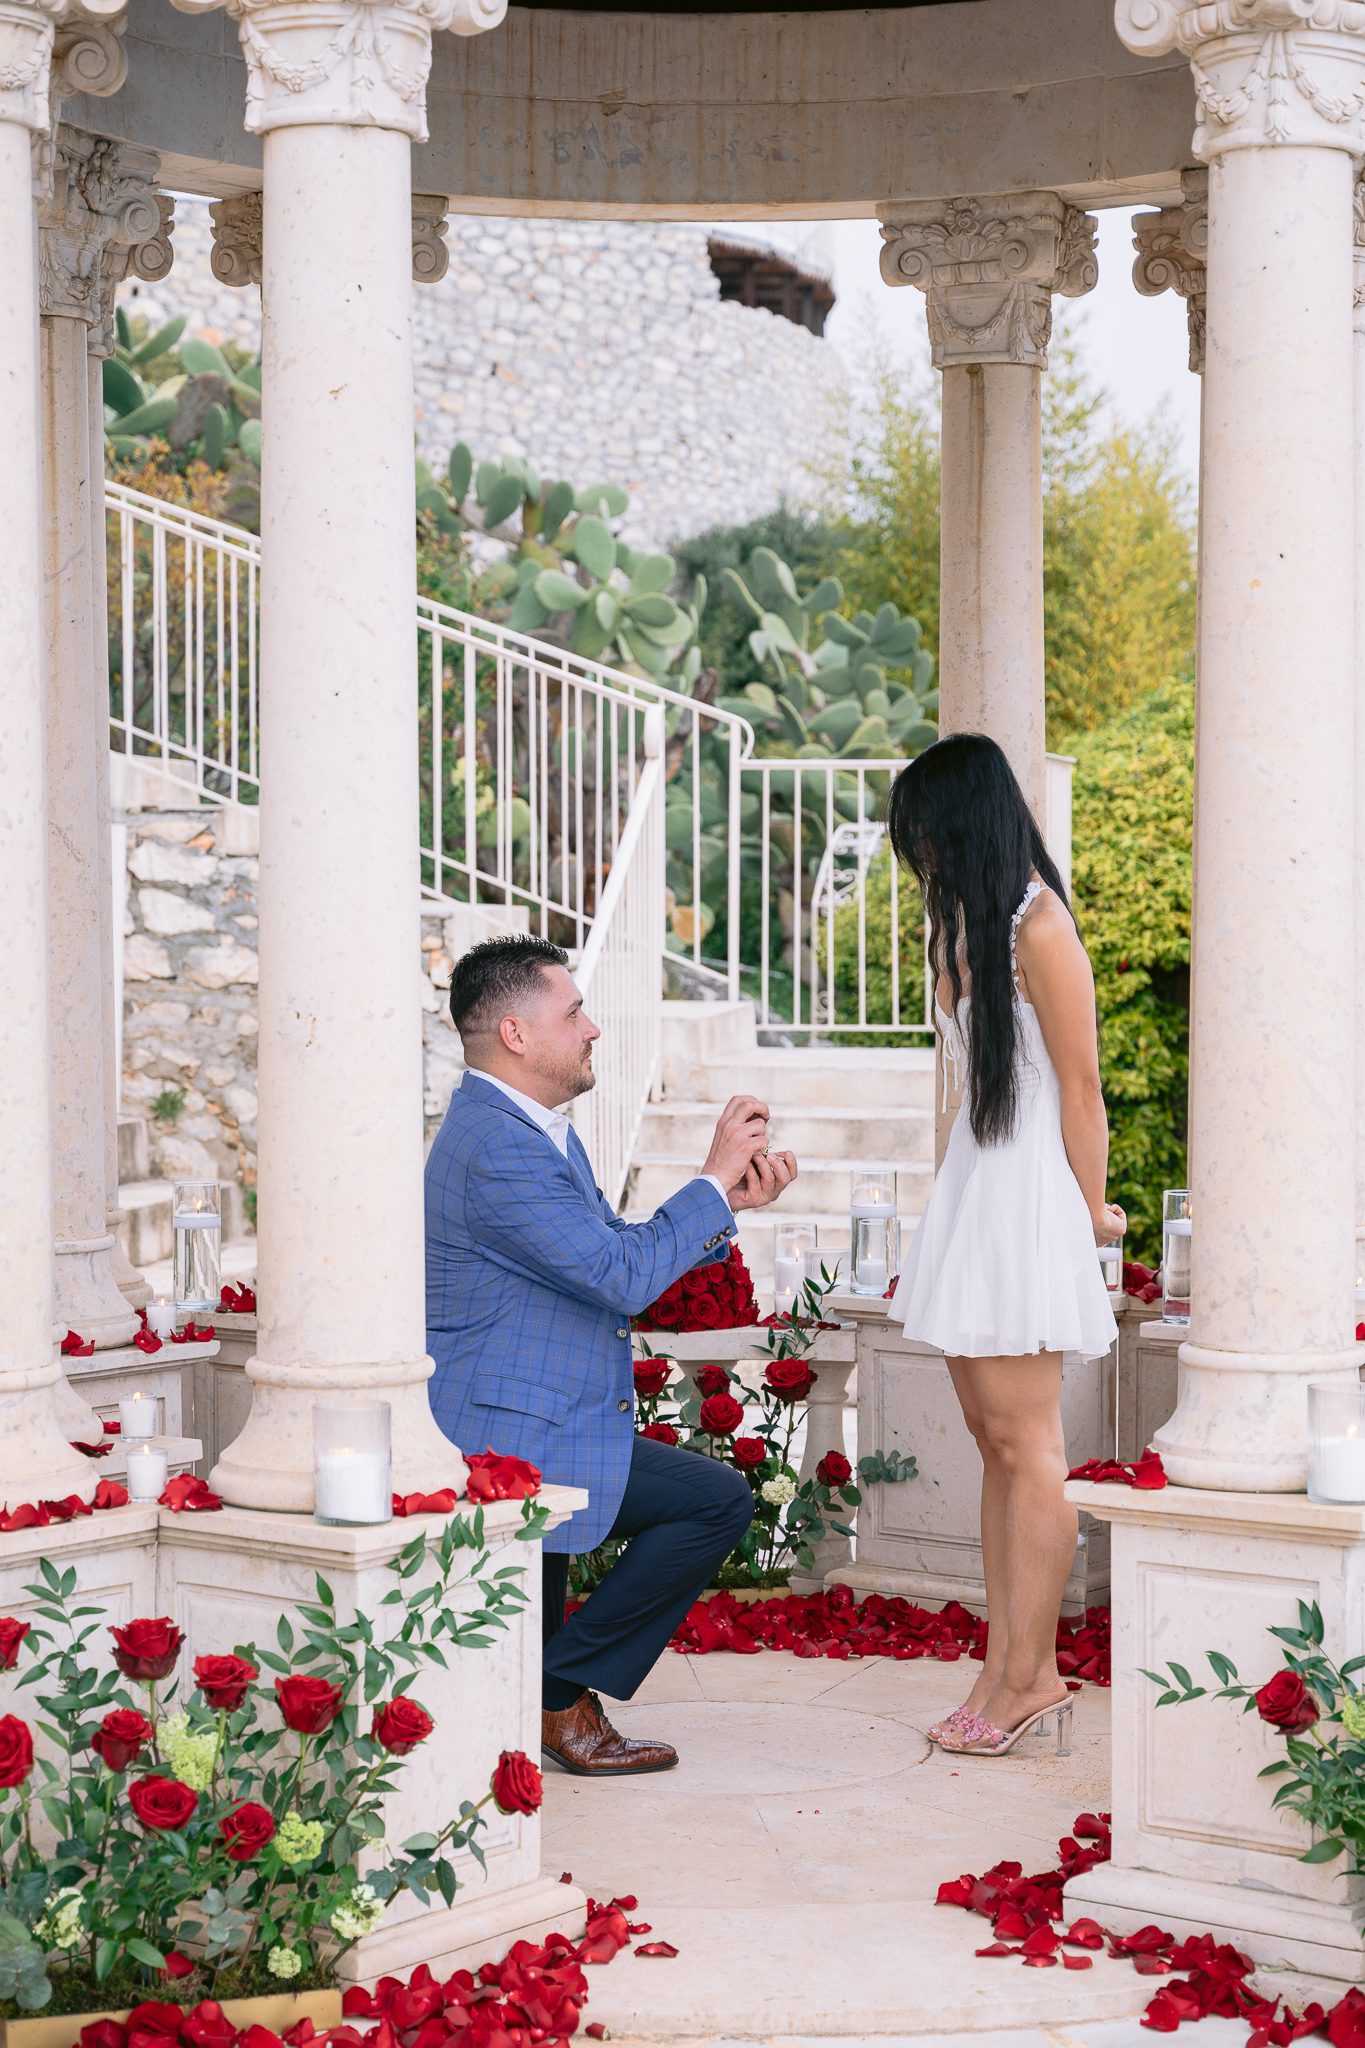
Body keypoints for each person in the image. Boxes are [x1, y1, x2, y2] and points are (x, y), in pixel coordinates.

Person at [425, 933, 798, 1777]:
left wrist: (721, 1204)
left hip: (537, 1412)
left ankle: (551, 1693)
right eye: (574, 1012)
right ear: (516, 1033)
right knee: (710, 1502)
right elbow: (616, 1275)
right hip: (504, 1429)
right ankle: (557, 1693)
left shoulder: (530, 1130)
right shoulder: (499, 1145)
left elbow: (603, 1255)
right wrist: (706, 1180)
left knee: (690, 1504)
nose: (592, 1030)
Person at [885, 733, 1124, 1760]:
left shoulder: (1038, 923)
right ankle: (1003, 1659)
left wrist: (1094, 1207)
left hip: (1025, 1193)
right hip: (979, 1189)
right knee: (993, 1442)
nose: (921, 858)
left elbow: (1079, 1085)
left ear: (965, 821)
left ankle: (1033, 1673)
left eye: (928, 836)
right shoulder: (968, 926)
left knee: (1032, 1450)